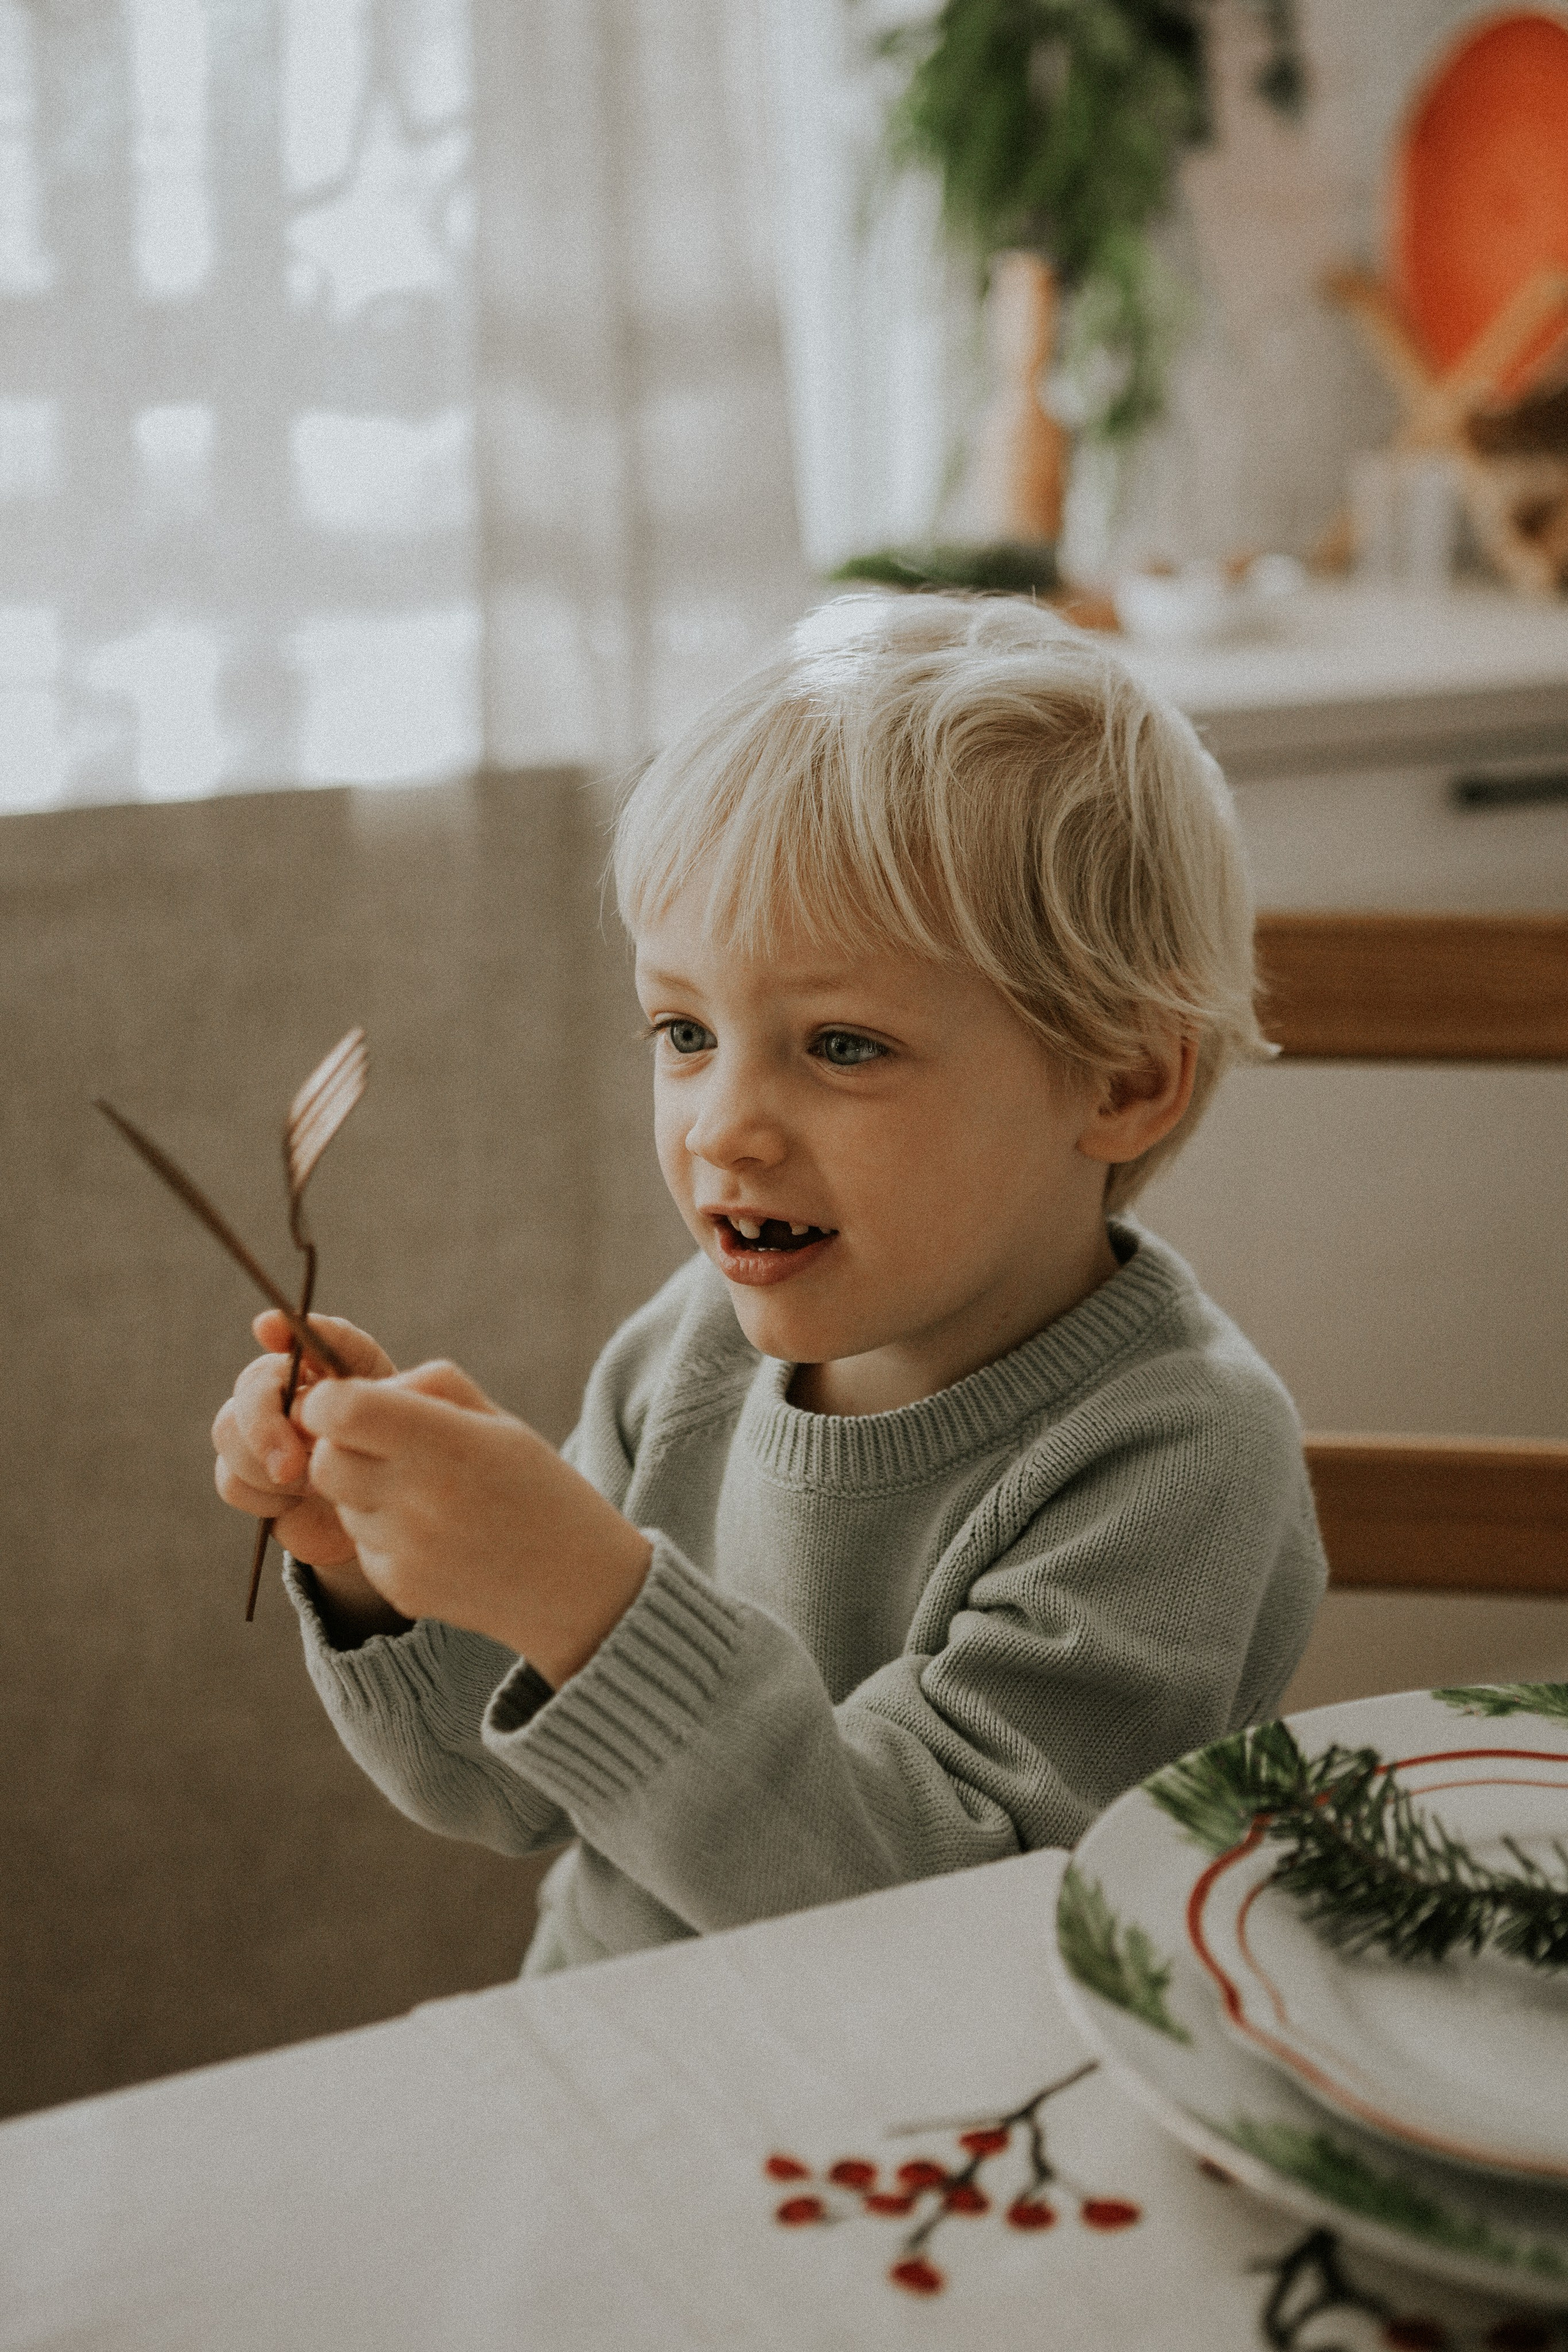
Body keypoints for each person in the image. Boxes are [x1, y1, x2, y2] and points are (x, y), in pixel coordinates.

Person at [212, 591, 1325, 1974]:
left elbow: (936, 1924)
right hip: (617, 2044)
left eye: (841, 1046)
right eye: (683, 1030)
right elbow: (503, 1788)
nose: (719, 1126)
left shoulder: (1175, 1459)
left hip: (935, 2128)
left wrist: (589, 1603)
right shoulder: (685, 1352)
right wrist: (364, 1565)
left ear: (1119, 1080)